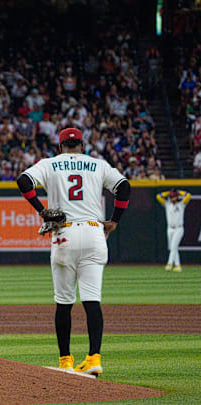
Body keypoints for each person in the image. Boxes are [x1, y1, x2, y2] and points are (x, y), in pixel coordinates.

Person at [16, 127, 131, 376]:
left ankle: (66, 361)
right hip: (93, 232)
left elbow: (23, 181)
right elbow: (124, 188)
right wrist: (115, 220)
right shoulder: (98, 164)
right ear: (82, 145)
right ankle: (94, 358)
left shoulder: (50, 163)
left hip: (64, 233)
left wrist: (42, 209)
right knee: (92, 300)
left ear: (60, 147)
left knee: (64, 302)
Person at [156, 188, 191, 272]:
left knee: (173, 246)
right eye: (171, 197)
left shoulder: (181, 204)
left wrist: (178, 192)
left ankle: (169, 264)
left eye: (174, 197)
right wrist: (168, 193)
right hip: (170, 228)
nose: (172, 199)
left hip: (179, 228)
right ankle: (178, 266)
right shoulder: (167, 204)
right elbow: (158, 196)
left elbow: (188, 195)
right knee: (172, 248)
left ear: (177, 197)